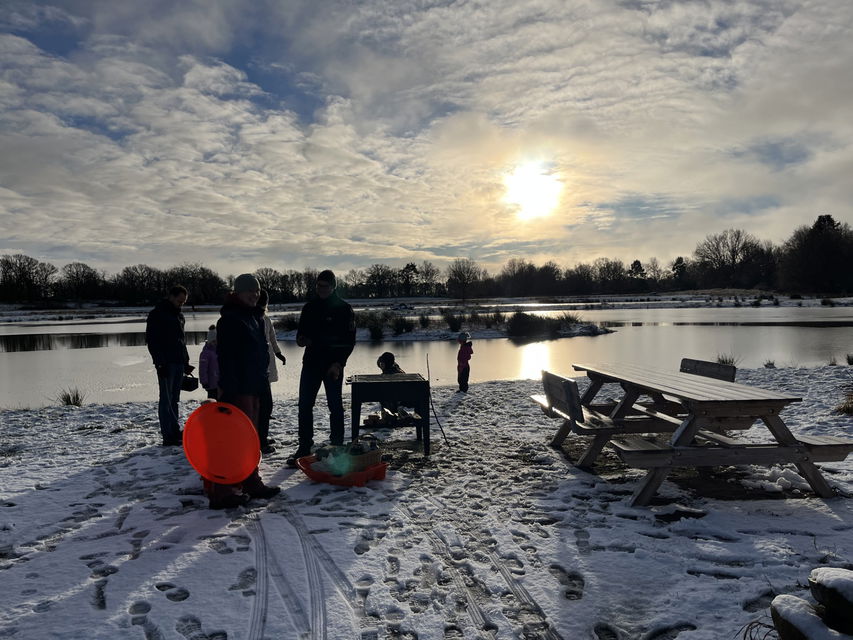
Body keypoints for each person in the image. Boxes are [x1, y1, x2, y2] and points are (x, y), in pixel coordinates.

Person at [208, 273, 280, 509]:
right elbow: (226, 358)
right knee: (233, 440)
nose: (255, 294)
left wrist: (262, 383)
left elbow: (259, 354)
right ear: (237, 293)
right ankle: (222, 492)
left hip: (256, 385)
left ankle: (251, 481)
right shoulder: (230, 319)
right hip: (237, 389)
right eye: (250, 291)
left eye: (257, 291)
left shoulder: (256, 316)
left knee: (252, 439)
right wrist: (228, 391)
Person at [287, 270, 356, 467]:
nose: (321, 289)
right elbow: (301, 334)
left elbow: (349, 341)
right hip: (311, 363)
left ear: (333, 286)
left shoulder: (344, 309)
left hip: (333, 365)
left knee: (335, 406)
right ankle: (304, 446)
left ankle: (337, 446)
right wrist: (301, 340)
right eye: (318, 286)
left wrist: (339, 363)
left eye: (324, 286)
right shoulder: (309, 308)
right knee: (304, 405)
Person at [145, 285, 192, 446]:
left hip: (178, 361)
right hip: (166, 363)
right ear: (170, 297)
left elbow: (182, 341)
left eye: (184, 302)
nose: (181, 304)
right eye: (179, 301)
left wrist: (186, 361)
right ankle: (168, 435)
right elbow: (152, 341)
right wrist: (159, 363)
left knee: (175, 399)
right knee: (166, 399)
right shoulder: (157, 314)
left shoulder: (179, 316)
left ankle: (174, 430)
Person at [257, 290, 286, 454]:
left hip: (266, 364)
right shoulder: (255, 319)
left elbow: (272, 338)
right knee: (264, 405)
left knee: (266, 405)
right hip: (258, 367)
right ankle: (260, 439)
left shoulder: (266, 319)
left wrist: (278, 352)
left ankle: (262, 437)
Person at [198, 325, 219, 400]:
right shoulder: (206, 353)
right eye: (215, 341)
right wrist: (204, 381)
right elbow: (202, 369)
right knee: (212, 400)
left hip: (219, 383)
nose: (216, 343)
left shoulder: (218, 351)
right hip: (210, 384)